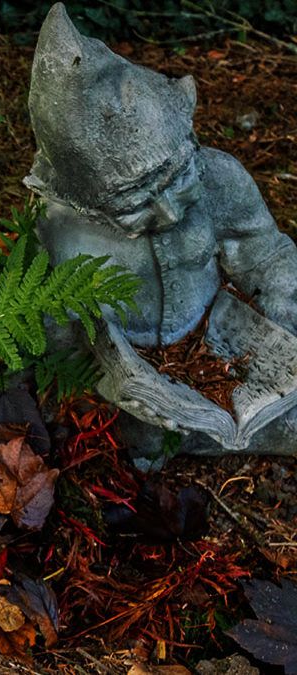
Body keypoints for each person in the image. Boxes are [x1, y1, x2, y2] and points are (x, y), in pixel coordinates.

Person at [24, 3, 297, 458]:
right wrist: (94, 387)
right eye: (135, 204)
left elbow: (265, 253)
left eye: (178, 180)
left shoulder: (220, 176)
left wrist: (284, 312)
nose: (168, 213)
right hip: (137, 390)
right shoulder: (63, 236)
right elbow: (58, 332)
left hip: (227, 343)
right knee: (141, 447)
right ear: (86, 201)